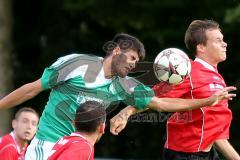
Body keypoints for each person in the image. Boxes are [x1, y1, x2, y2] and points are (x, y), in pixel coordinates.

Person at [0, 33, 236, 160]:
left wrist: (206, 101)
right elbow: (31, 89)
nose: (133, 65)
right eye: (132, 58)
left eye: (136, 61)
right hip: (48, 144)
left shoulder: (125, 85)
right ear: (116, 51)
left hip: (81, 148)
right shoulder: (76, 64)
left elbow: (161, 103)